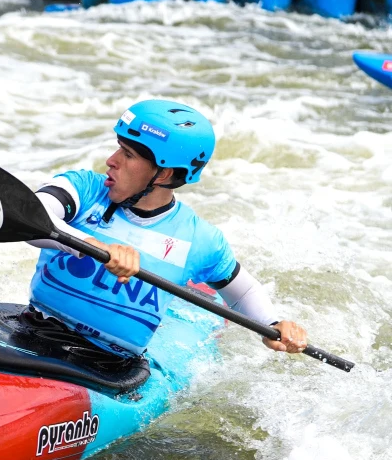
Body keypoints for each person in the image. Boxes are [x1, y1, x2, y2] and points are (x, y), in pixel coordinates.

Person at [27, 99, 308, 359]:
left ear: (163, 174)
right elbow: (32, 215)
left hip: (108, 364)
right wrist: (93, 245)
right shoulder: (85, 188)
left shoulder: (199, 239)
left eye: (128, 154)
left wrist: (273, 325)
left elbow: (243, 293)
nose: (111, 161)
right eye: (118, 148)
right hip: (34, 327)